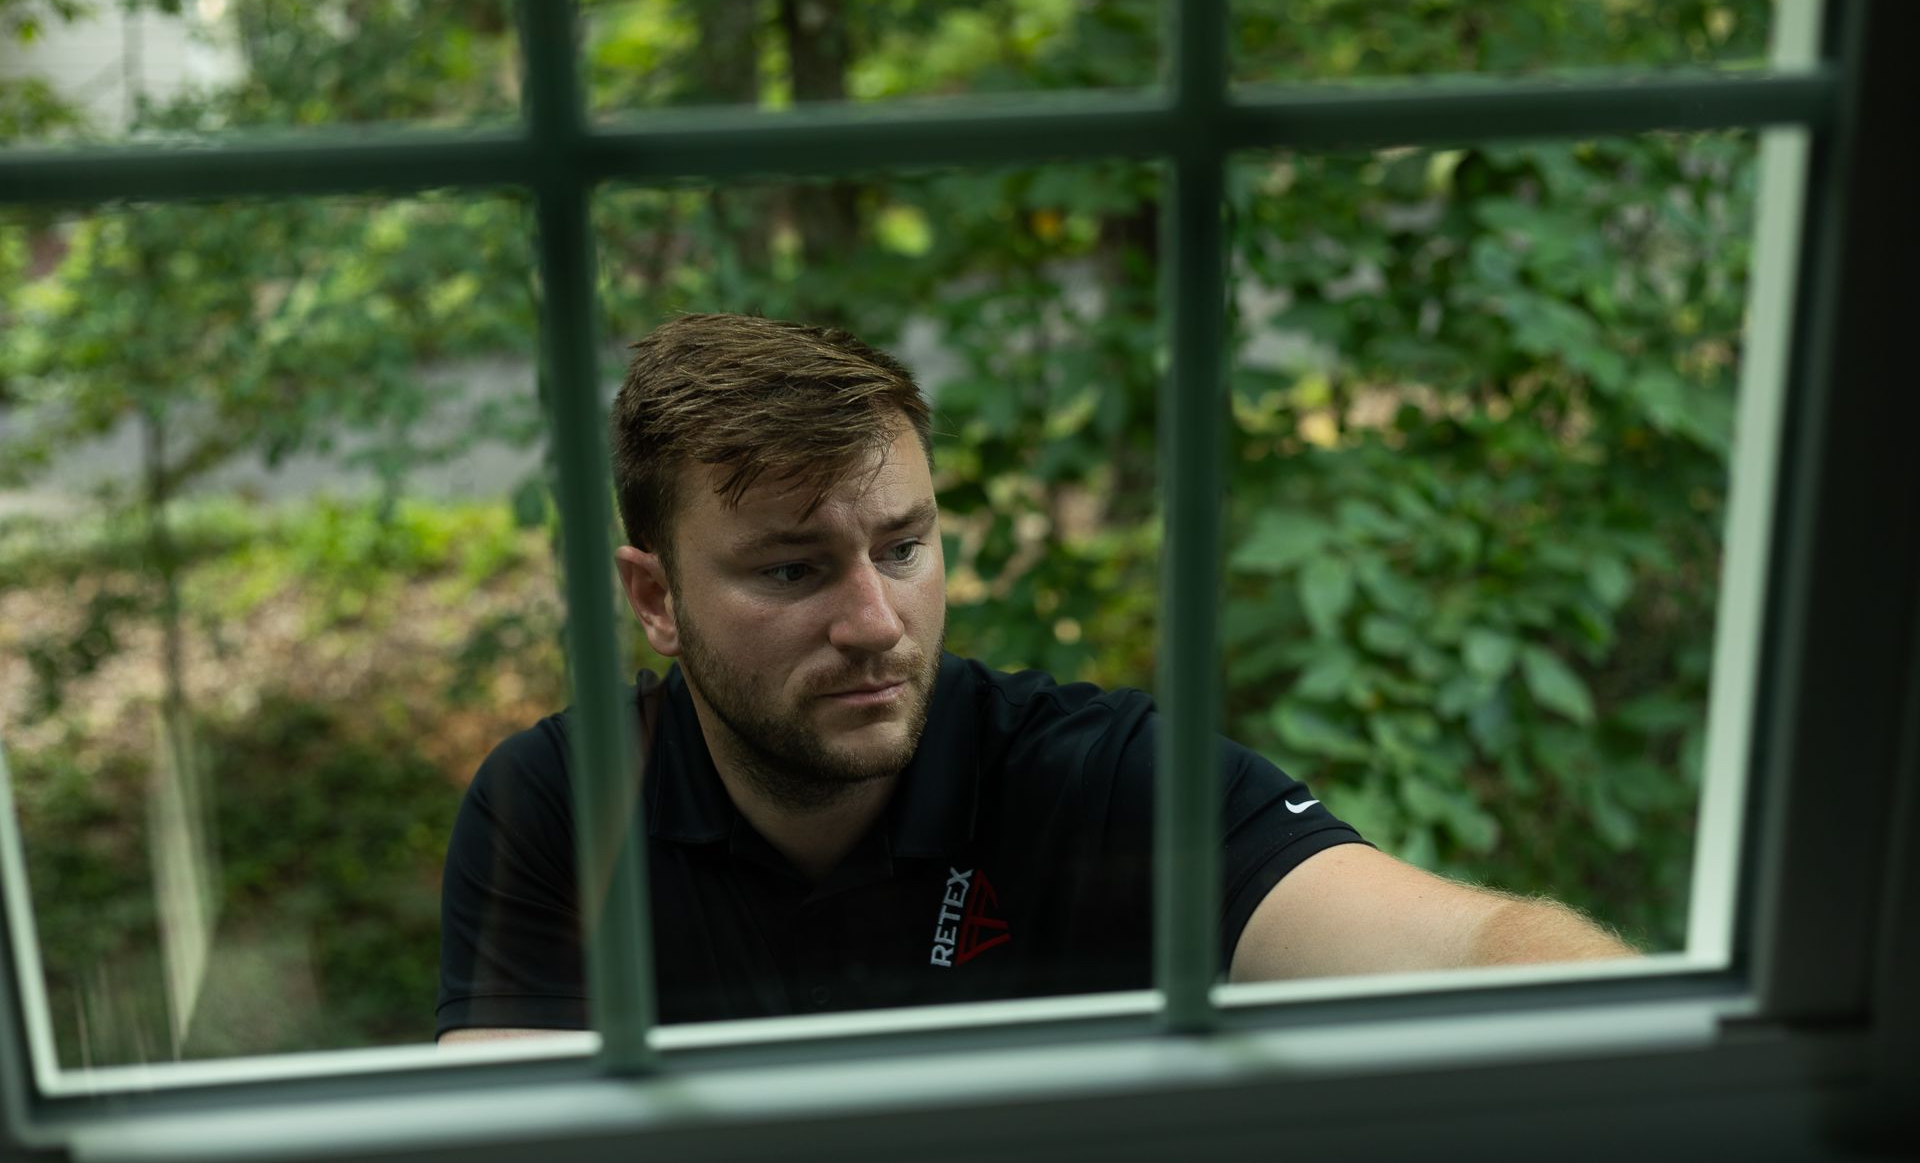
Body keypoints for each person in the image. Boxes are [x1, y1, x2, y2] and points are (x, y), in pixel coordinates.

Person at [437, 313, 1631, 1041]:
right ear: (655, 598)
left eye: (903, 547)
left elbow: (1463, 952)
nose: (874, 620)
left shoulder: (1098, 778)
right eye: (794, 569)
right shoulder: (561, 803)